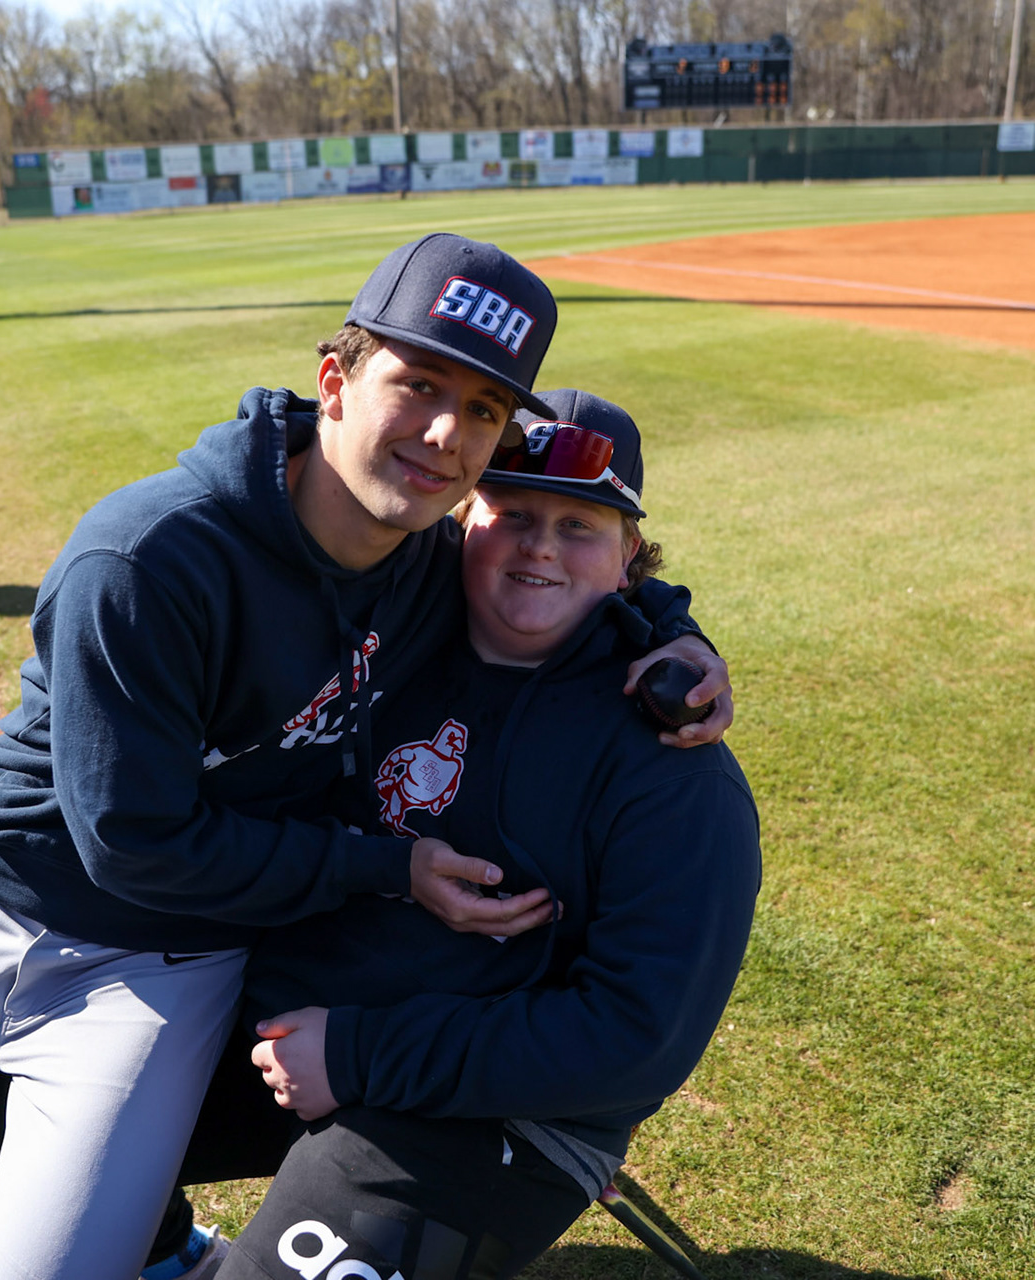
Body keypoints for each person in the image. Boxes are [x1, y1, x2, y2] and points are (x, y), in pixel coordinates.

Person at [0, 234, 731, 1280]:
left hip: (184, 949)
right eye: (418, 385)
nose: (444, 434)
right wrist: (390, 867)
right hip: (20, 892)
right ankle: (125, 1206)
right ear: (334, 382)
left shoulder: (453, 577)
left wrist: (673, 632)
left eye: (482, 410)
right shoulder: (149, 559)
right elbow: (134, 842)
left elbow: (576, 566)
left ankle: (153, 1239)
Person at [166, 389, 762, 1279]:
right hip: (291, 1025)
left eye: (580, 526)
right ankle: (171, 1256)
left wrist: (360, 1055)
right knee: (14, 1105)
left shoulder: (675, 766)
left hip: (504, 1106)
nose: (540, 547)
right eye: (512, 512)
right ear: (459, 526)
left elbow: (636, 1038)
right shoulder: (387, 639)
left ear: (629, 558)